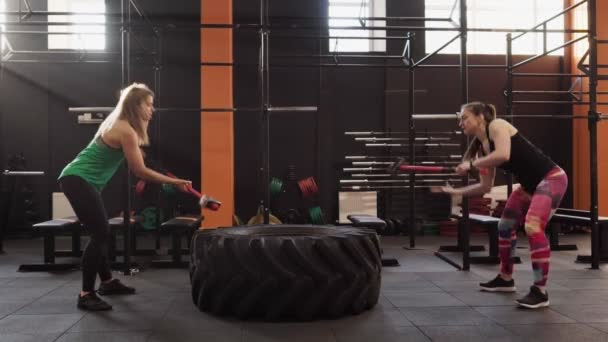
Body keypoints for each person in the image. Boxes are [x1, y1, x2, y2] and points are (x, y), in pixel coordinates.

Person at [58, 83, 192, 311]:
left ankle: (107, 282)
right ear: (135, 105)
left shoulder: (119, 124)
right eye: (148, 105)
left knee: (100, 233)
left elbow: (137, 159)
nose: (152, 109)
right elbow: (139, 171)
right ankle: (86, 293)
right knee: (100, 234)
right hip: (78, 180)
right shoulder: (125, 130)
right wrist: (175, 182)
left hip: (80, 180)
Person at [431, 101, 568, 309]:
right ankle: (506, 278)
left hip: (552, 179)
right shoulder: (483, 151)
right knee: (504, 226)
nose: (461, 123)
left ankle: (540, 291)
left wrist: (471, 164)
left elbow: (504, 154)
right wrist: (456, 192)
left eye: (464, 117)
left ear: (480, 117)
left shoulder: (497, 125)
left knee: (532, 226)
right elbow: (485, 187)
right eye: (460, 119)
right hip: (529, 187)